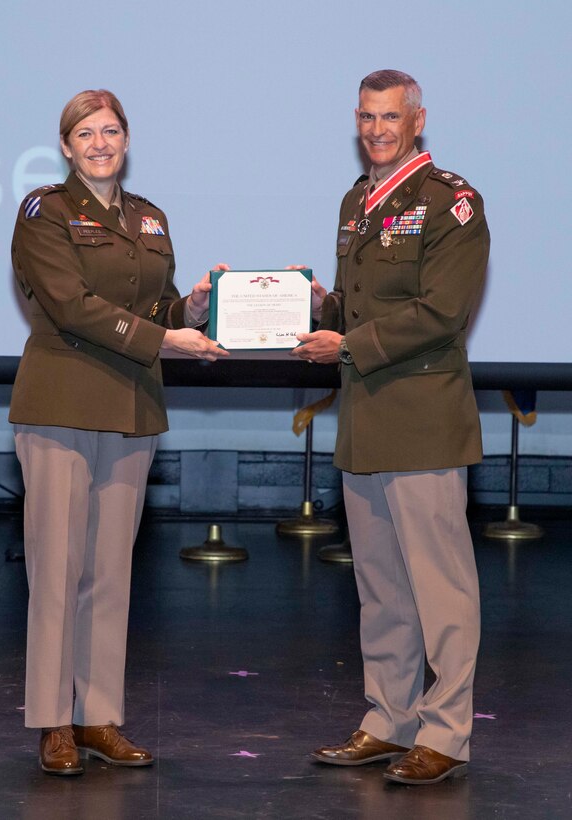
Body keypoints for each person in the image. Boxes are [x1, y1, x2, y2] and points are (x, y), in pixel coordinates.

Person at [9, 89, 228, 776]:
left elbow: (152, 304)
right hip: (63, 404)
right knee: (56, 571)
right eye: (85, 133)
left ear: (126, 139)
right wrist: (169, 336)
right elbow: (72, 308)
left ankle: (97, 715)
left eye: (110, 131)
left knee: (109, 572)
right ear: (67, 146)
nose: (99, 143)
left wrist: (191, 306)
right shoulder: (44, 212)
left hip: (131, 406)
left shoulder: (150, 218)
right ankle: (52, 722)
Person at [291, 69, 490, 785]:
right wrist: (320, 303)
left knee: (442, 592)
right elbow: (364, 304)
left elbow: (441, 314)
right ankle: (388, 718)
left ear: (417, 120)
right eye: (367, 117)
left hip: (423, 420)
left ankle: (446, 732)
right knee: (380, 589)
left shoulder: (452, 203)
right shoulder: (357, 201)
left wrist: (344, 342)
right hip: (366, 421)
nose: (377, 129)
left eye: (390, 117)